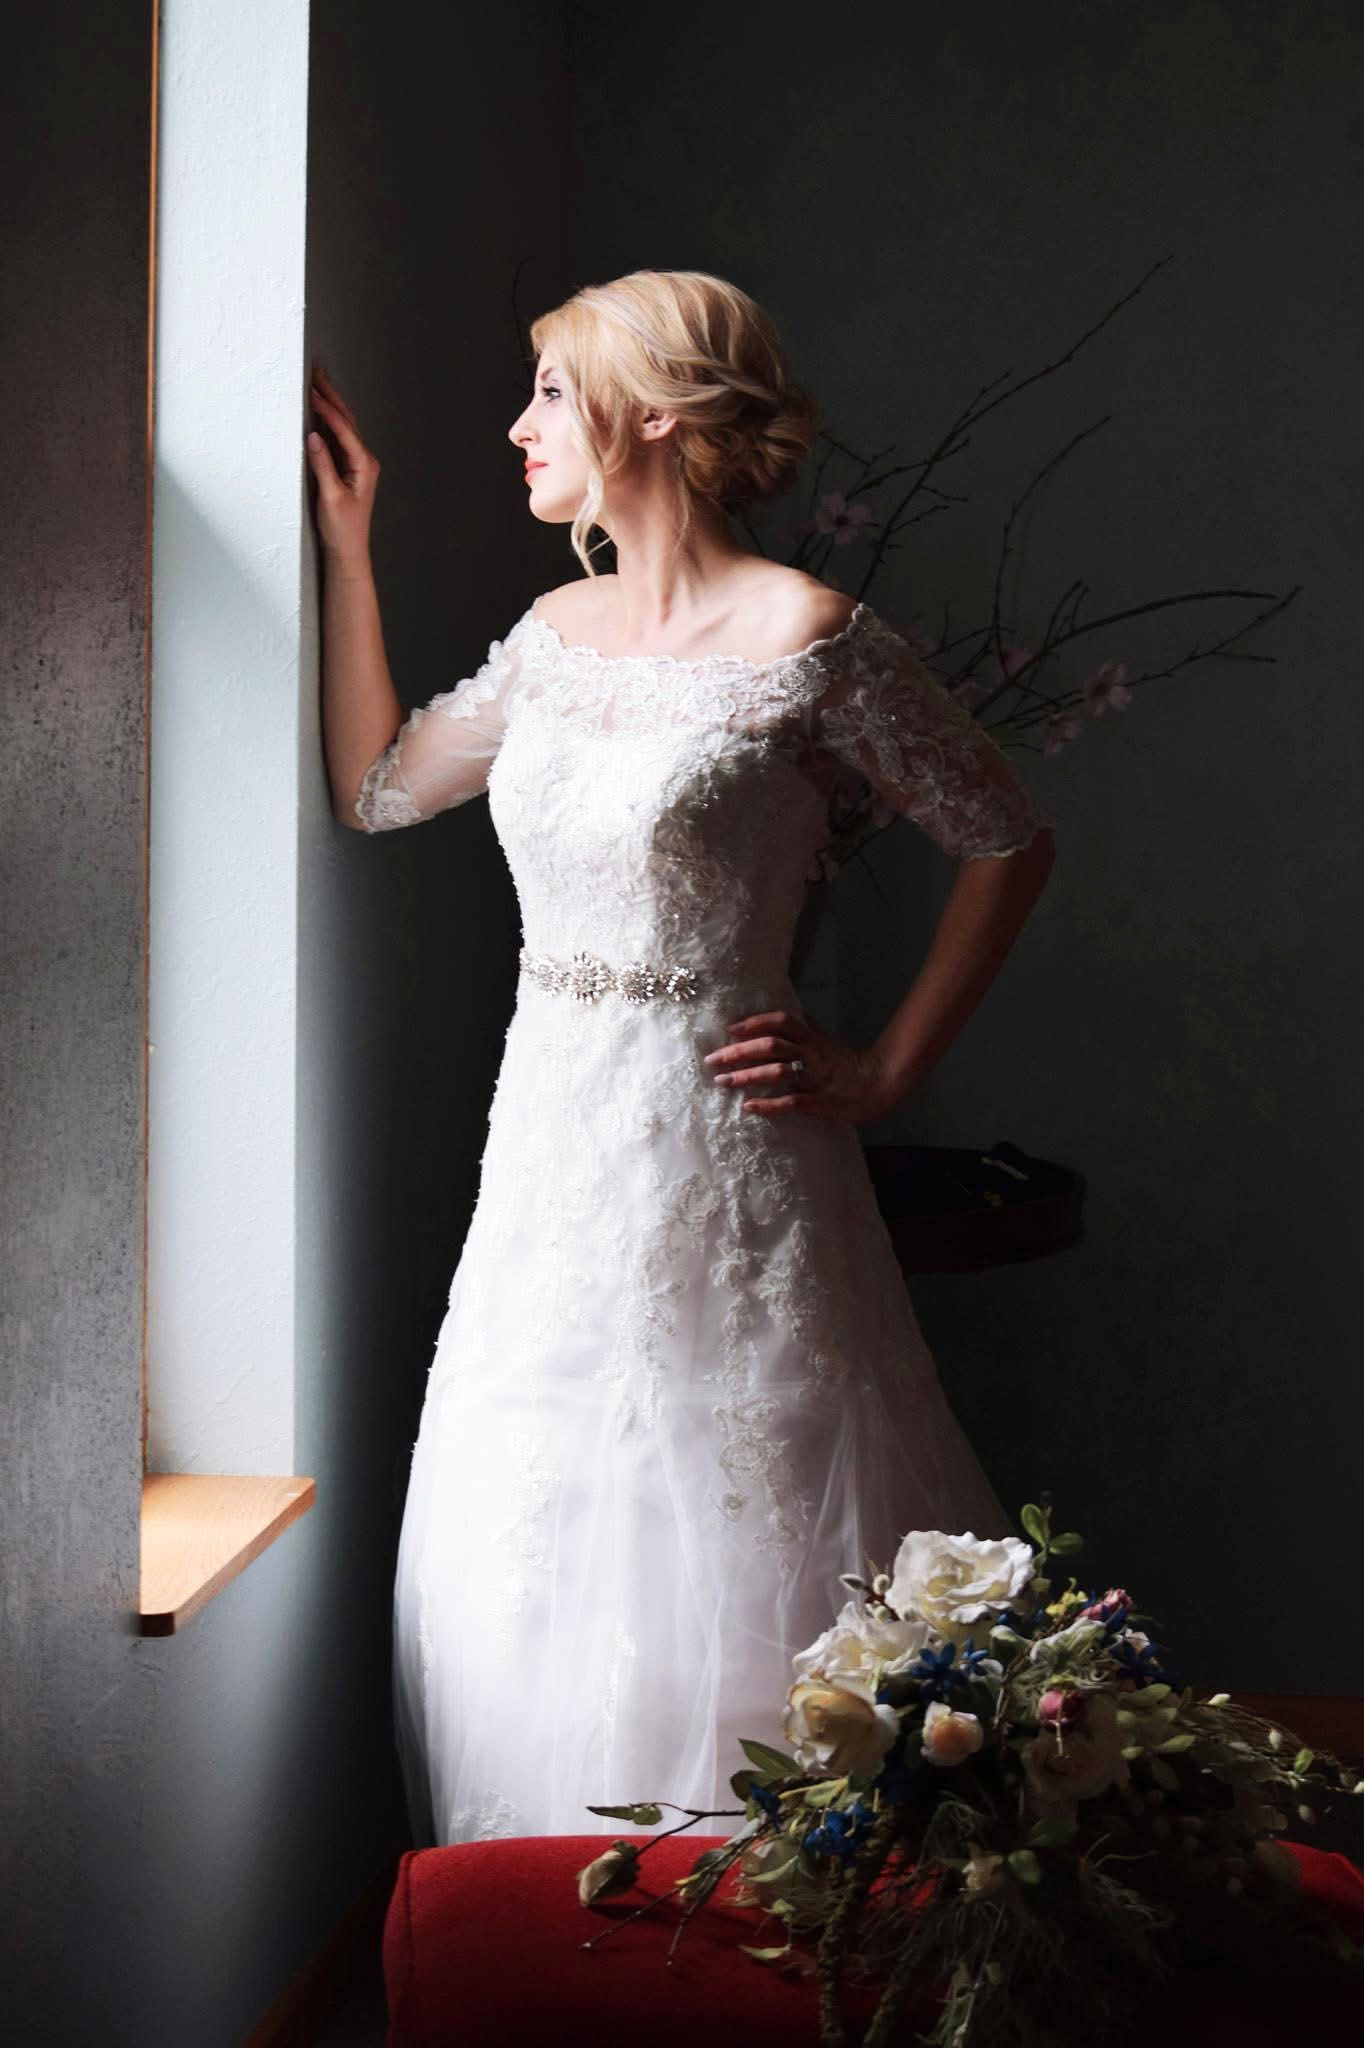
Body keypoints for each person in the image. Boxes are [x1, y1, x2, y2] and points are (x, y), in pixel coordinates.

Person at [306, 270, 1056, 1849]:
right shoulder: (555, 636)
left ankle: (776, 1909)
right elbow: (380, 790)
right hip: (552, 1156)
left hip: (730, 1157)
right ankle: (553, 1921)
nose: (517, 429)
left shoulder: (812, 637)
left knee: (742, 1507)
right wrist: (347, 552)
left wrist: (886, 1069)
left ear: (652, 413)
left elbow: (1006, 835)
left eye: (551, 396)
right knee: (538, 1513)